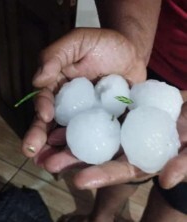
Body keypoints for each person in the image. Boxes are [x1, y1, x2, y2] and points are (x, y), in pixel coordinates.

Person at [21, 0, 187, 221]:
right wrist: (131, 43)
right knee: (122, 170)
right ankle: (100, 217)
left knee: (176, 196)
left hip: (155, 87)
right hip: (152, 61)